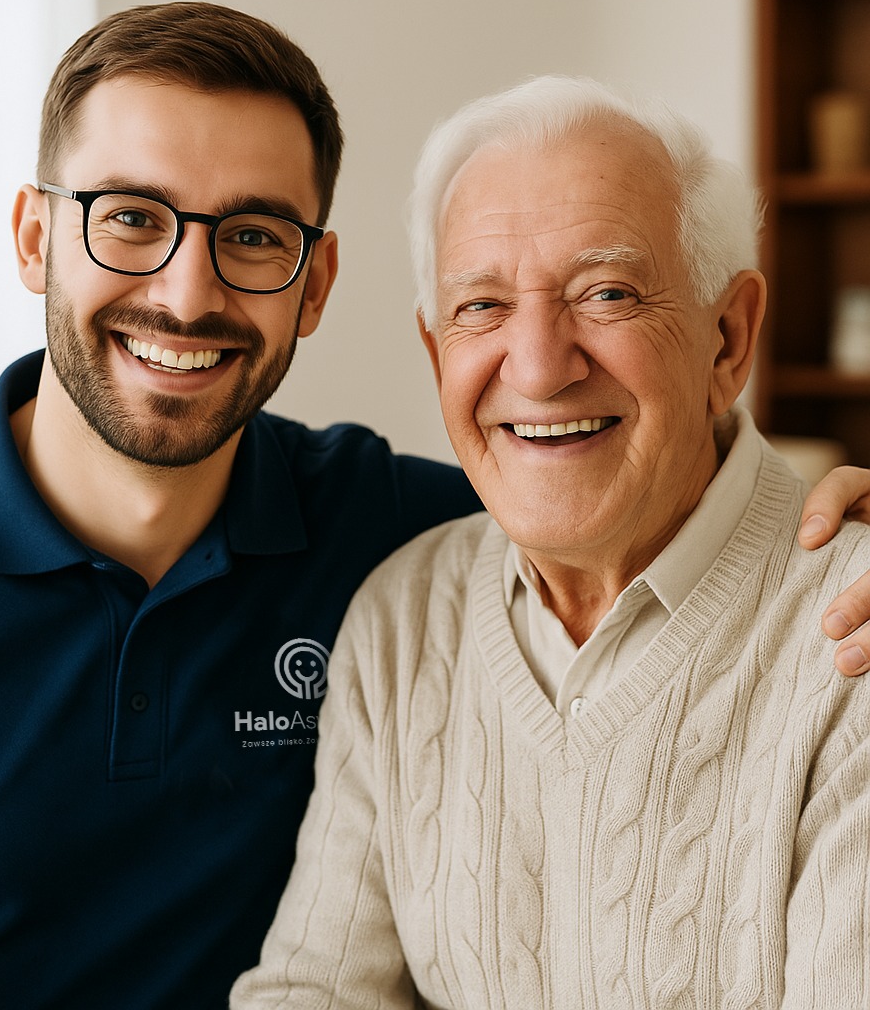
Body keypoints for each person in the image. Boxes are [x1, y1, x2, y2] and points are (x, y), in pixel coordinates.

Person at [0, 6, 867, 1010]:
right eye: (128, 219)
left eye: (250, 234)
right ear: (34, 238)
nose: (187, 291)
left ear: (315, 283)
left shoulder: (394, 542)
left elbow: (616, 491)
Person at [231, 76, 870, 1008]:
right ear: (435, 349)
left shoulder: (852, 635)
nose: (535, 367)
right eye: (480, 308)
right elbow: (311, 992)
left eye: (606, 292)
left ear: (728, 338)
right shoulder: (406, 611)